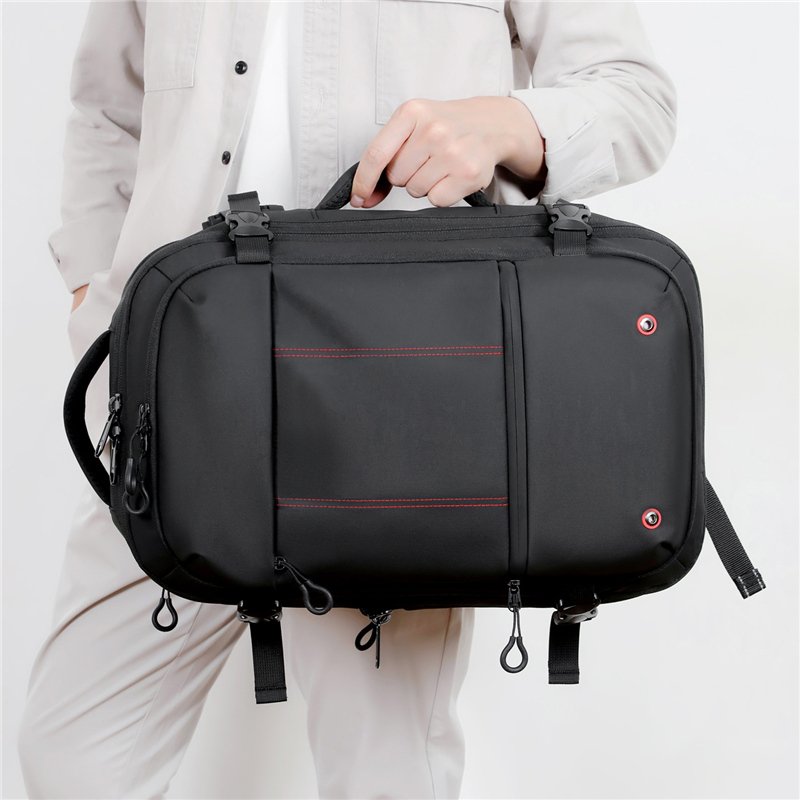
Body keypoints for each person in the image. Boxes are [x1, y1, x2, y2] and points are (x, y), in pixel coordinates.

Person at [18, 2, 676, 797]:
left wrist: (507, 124)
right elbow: (108, 113)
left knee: (385, 774)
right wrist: (95, 293)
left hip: (395, 408)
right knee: (73, 760)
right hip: (173, 397)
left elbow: (636, 96)